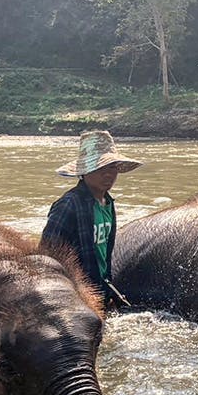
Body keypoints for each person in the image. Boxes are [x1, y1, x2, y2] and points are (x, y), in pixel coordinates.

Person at [40, 130, 143, 308]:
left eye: (112, 167)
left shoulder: (107, 203)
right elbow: (46, 256)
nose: (108, 174)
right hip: (75, 295)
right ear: (84, 172)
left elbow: (102, 256)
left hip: (99, 290)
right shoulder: (69, 205)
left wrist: (107, 290)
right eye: (100, 168)